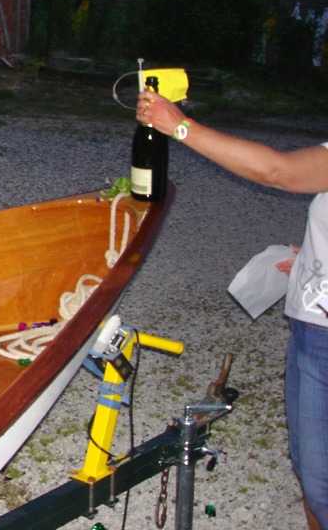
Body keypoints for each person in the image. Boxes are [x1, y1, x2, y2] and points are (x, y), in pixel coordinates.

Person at [138, 89, 328, 530]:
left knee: (321, 481)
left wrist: (179, 127)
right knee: (309, 468)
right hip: (310, 323)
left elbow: (278, 171)